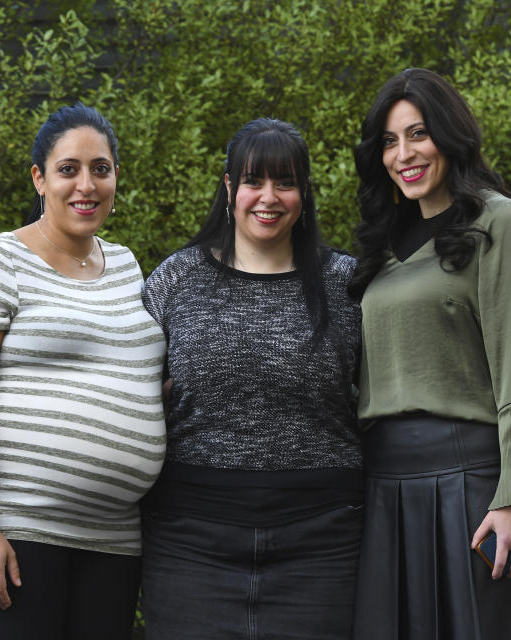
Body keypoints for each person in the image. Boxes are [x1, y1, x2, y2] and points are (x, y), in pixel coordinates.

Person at [348, 68, 511, 639]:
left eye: (417, 134)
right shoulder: (378, 250)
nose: (402, 154)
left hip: (476, 486)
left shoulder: (499, 221)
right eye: (388, 140)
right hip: (385, 491)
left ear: (450, 136)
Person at [0, 103, 166, 640]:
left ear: (115, 177)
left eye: (100, 169)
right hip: (17, 530)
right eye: (69, 169)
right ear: (40, 178)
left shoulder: (128, 266)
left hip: (112, 539)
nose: (86, 185)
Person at [139, 118, 364, 639]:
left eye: (285, 183)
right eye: (253, 181)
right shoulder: (177, 279)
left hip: (324, 540)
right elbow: (128, 392)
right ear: (227, 188)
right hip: (190, 538)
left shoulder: (348, 286)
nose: (268, 197)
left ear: (304, 193)